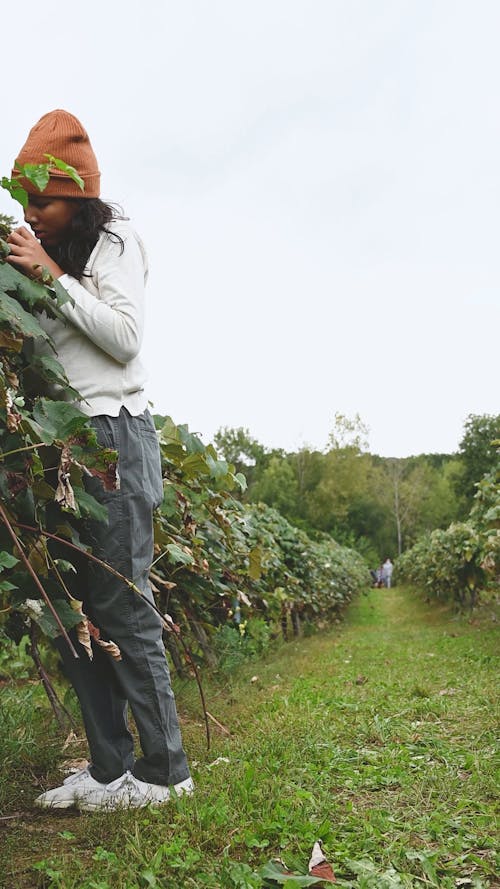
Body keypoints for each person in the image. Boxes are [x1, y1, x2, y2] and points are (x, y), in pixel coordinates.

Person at [6, 110, 193, 812]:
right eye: (23, 200)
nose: (32, 213)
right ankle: (111, 766)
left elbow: (123, 337)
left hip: (112, 439)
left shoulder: (114, 242)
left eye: (45, 201)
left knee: (120, 601)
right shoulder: (39, 258)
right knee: (71, 608)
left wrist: (51, 276)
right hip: (54, 451)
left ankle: (166, 770)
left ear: (79, 195)